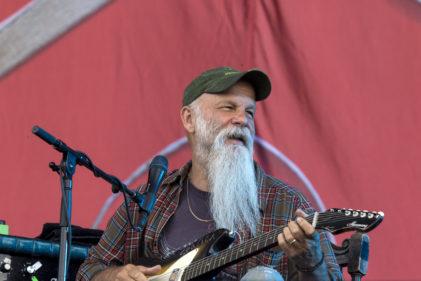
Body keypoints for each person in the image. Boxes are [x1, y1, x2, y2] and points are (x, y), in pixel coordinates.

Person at [76, 66, 343, 281]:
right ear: (189, 119)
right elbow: (88, 270)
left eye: (249, 112)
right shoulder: (150, 201)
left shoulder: (288, 204)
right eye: (228, 107)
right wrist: (114, 276)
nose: (242, 119)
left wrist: (311, 260)